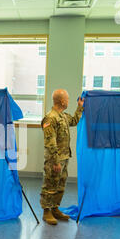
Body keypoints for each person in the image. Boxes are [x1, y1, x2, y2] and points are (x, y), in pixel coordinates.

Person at [40, 89, 84, 225]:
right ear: (63, 101)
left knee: (60, 185)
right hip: (55, 159)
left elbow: (75, 120)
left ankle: (55, 208)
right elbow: (50, 142)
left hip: (64, 157)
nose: (68, 102)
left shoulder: (63, 116)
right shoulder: (50, 118)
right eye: (68, 99)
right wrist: (56, 161)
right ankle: (46, 211)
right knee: (50, 184)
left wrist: (80, 107)